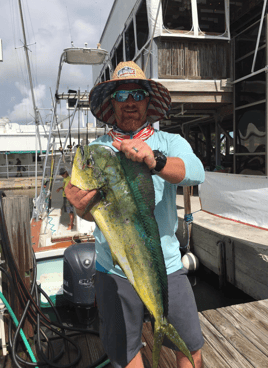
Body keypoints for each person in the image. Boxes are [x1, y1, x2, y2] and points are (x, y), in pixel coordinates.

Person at [65, 61, 205, 368]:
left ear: (147, 100)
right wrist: (80, 207)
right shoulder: (96, 152)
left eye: (137, 93)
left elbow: (195, 173)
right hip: (113, 270)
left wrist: (154, 159)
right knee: (126, 356)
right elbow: (93, 216)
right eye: (122, 95)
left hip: (165, 265)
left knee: (192, 350)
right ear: (111, 102)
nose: (130, 102)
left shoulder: (169, 142)